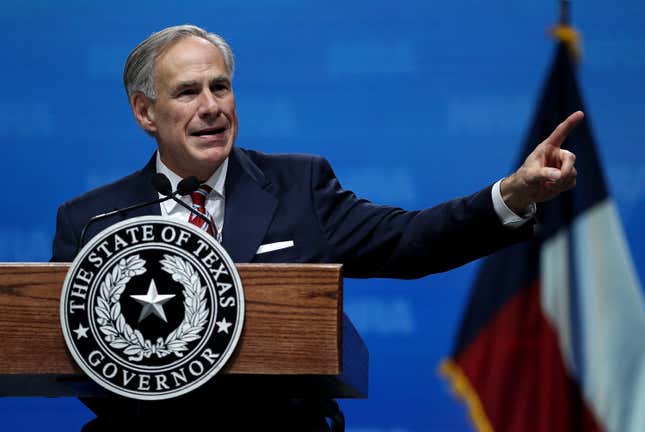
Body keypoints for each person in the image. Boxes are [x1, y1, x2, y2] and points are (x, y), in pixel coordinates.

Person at [51, 24, 581, 431]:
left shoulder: (297, 185)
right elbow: (66, 354)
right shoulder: (93, 220)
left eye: (221, 87)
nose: (211, 108)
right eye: (188, 92)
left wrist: (512, 194)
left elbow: (410, 240)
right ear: (146, 112)